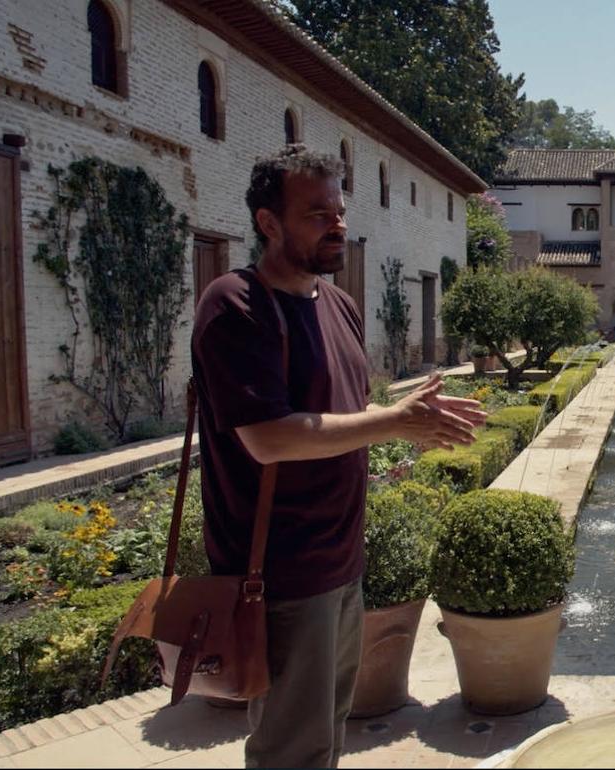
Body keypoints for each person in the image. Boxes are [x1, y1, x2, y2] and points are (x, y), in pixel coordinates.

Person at [191, 144, 486, 768]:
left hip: (341, 561)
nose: (339, 225)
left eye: (341, 210)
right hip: (279, 573)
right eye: (317, 214)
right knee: (292, 748)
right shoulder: (236, 304)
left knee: (326, 732)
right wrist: (395, 422)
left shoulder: (340, 307)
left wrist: (406, 430)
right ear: (269, 223)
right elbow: (268, 438)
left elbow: (345, 419)